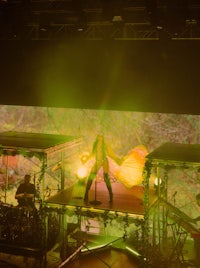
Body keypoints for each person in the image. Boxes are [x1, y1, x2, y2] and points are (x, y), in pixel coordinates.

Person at [84, 135, 119, 203]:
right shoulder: (95, 144)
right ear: (97, 138)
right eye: (99, 137)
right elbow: (92, 153)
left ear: (102, 138)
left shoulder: (105, 145)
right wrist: (86, 160)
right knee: (91, 176)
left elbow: (110, 154)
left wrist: (117, 159)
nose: (100, 138)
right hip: (98, 161)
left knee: (106, 178)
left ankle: (111, 195)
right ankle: (86, 194)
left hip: (104, 161)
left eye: (101, 137)